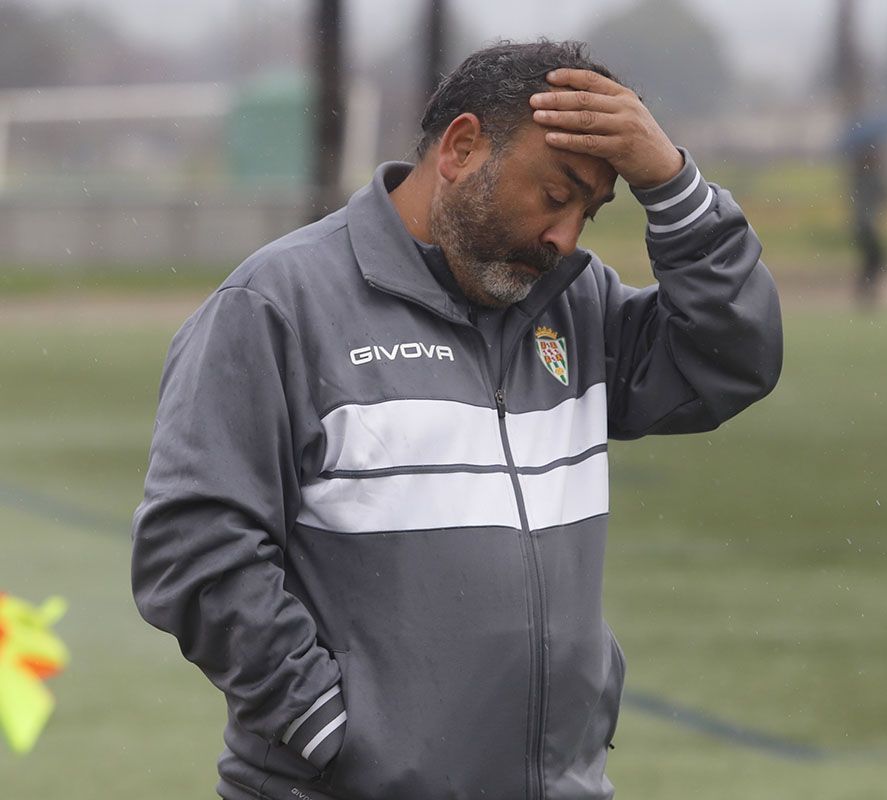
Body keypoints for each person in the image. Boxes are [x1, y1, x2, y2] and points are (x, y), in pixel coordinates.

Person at [131, 40, 782, 800]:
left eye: (589, 211)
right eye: (555, 194)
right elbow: (193, 543)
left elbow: (731, 358)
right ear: (462, 147)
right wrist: (327, 729)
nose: (565, 239)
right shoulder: (278, 304)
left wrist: (673, 186)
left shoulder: (575, 303)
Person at [848, 143, 887, 308]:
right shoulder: (871, 178)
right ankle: (866, 288)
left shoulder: (858, 177)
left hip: (860, 225)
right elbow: (884, 194)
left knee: (870, 259)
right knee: (875, 258)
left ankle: (865, 288)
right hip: (868, 225)